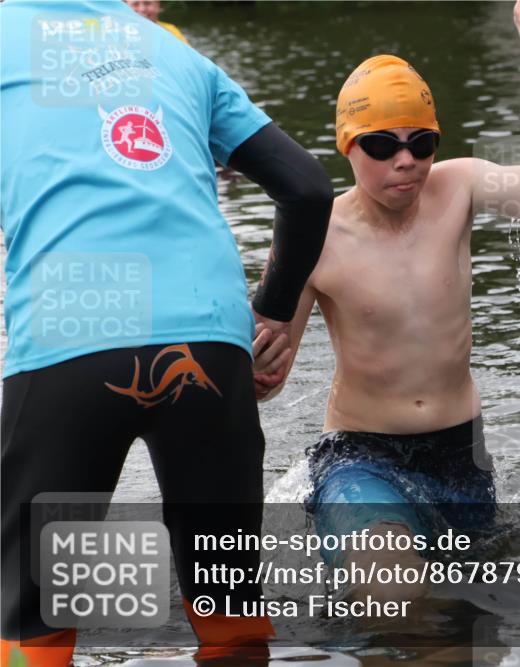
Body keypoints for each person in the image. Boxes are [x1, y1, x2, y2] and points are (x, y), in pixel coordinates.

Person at [0, 0, 333, 664]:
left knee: (34, 617)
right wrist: (272, 311)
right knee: (228, 604)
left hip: (69, 338)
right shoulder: (179, 53)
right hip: (207, 341)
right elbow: (307, 188)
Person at [253, 6, 520, 602]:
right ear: (348, 146)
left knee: (468, 621)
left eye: (422, 143)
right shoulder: (313, 235)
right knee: (395, 594)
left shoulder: (458, 187)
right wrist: (257, 372)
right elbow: (266, 378)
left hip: (460, 456)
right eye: (382, 145)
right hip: (360, 459)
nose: (406, 161)